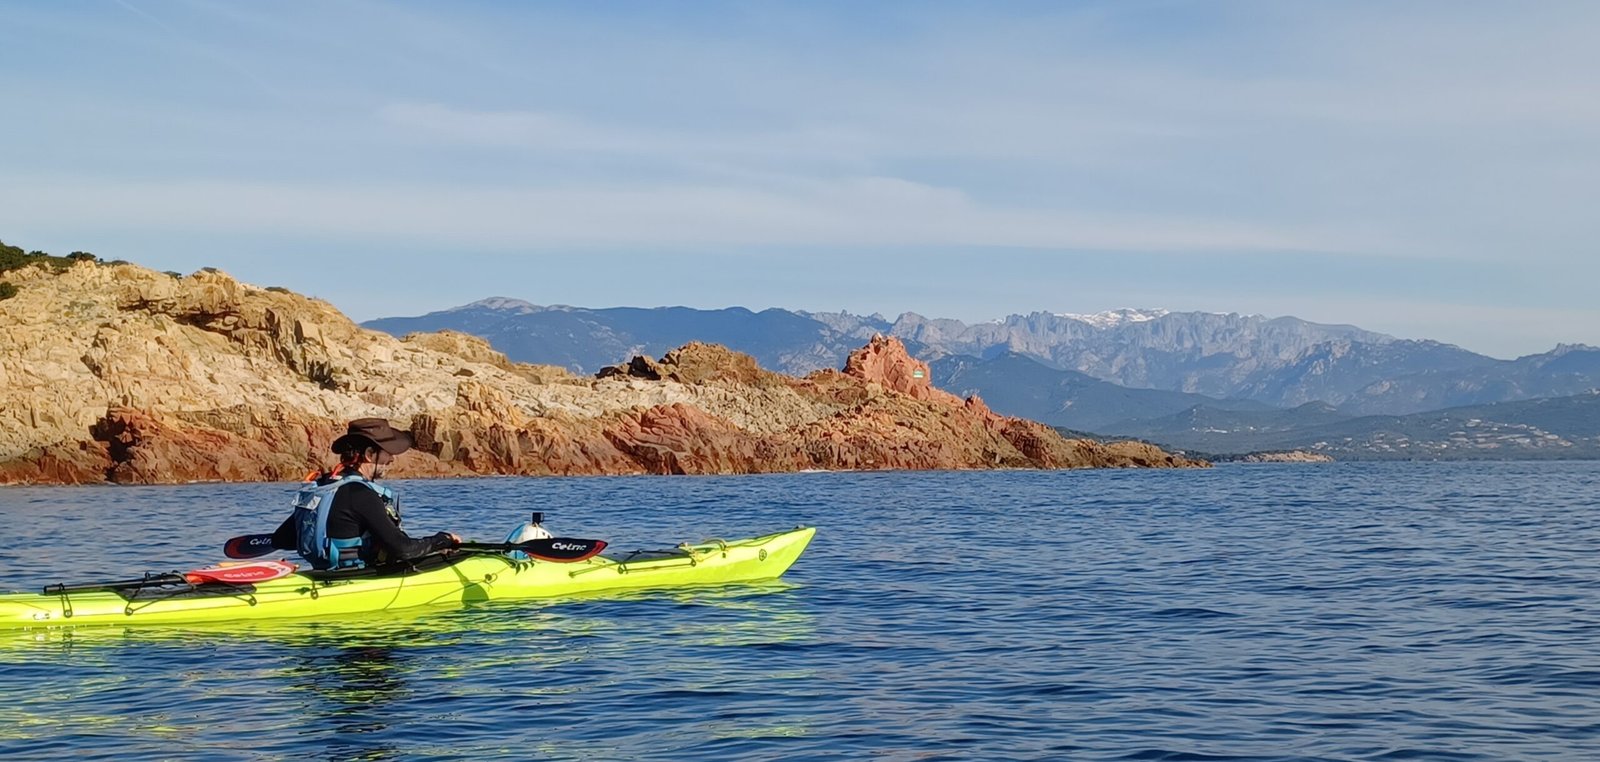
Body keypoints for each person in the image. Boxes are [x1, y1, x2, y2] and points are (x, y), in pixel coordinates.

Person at [273, 418, 460, 570]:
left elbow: (282, 539)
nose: (392, 459)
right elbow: (404, 549)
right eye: (387, 453)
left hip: (320, 574)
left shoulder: (323, 487)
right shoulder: (361, 494)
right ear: (370, 454)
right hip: (355, 580)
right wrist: (442, 540)